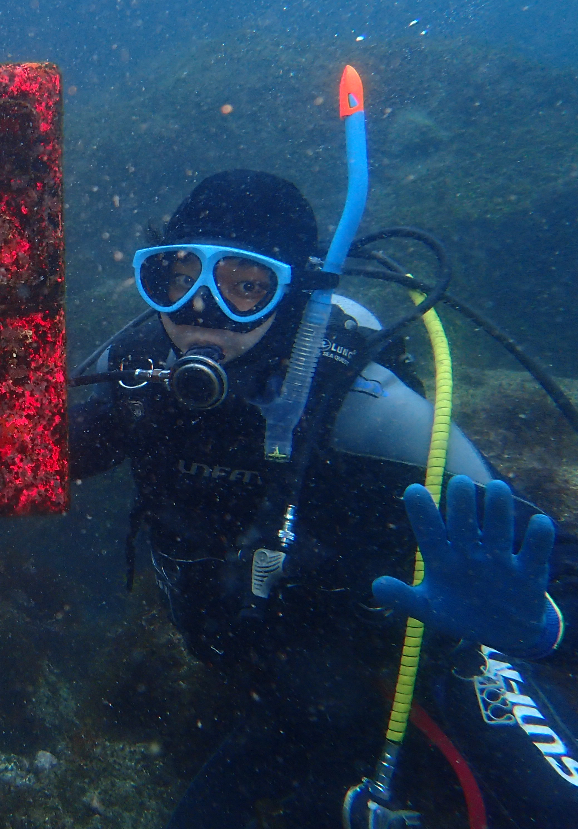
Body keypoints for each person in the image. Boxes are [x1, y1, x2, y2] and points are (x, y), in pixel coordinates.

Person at [70, 170, 578, 828]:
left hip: (430, 664)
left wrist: (541, 625)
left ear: (293, 292)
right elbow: (29, 454)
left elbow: (551, 558)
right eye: (178, 276)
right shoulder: (138, 376)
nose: (200, 311)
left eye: (244, 286)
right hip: (295, 691)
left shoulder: (363, 409)